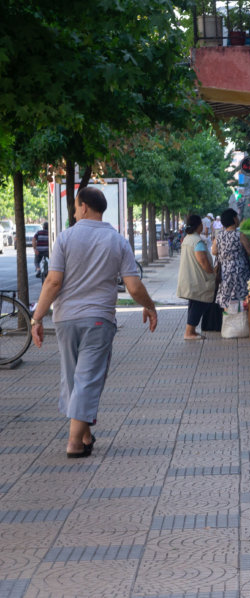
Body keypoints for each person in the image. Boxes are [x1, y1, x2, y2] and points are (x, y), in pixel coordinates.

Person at [30, 187, 157, 458]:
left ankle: (86, 435)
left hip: (65, 320)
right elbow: (133, 286)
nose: (75, 212)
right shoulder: (117, 241)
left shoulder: (65, 238)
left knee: (73, 379)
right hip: (99, 319)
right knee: (87, 379)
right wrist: (149, 306)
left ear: (84, 206)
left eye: (76, 207)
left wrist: (37, 317)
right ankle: (75, 443)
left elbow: (53, 282)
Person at [177, 214, 216, 341]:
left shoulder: (187, 239)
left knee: (194, 304)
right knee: (200, 304)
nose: (203, 226)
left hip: (190, 277)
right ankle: (189, 332)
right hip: (198, 279)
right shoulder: (197, 241)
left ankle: (191, 330)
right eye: (201, 224)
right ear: (198, 225)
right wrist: (212, 272)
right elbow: (203, 261)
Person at [211, 208, 250, 310]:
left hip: (224, 273)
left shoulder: (219, 236)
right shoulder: (240, 235)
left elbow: (214, 252)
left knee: (227, 301)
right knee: (242, 300)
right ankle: (242, 322)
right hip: (240, 272)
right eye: (237, 217)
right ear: (234, 219)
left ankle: (228, 322)